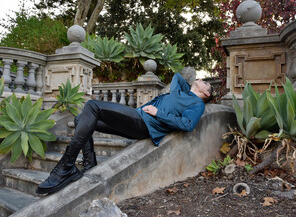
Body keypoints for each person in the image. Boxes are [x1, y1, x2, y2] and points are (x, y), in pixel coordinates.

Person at [36, 73, 212, 194]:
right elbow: (178, 78)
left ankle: (65, 167)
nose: (201, 79)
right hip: (138, 118)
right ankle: (90, 164)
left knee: (92, 105)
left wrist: (158, 113)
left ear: (206, 93)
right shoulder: (181, 92)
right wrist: (191, 87)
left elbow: (187, 124)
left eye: (205, 83)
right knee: (80, 119)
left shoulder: (197, 104)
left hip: (144, 123)